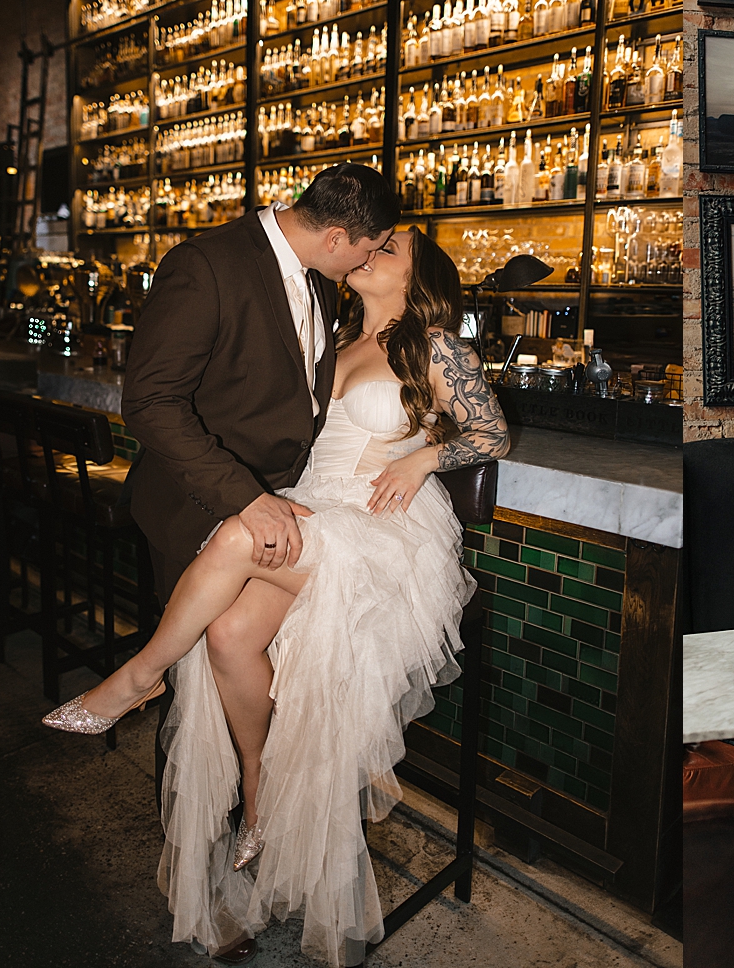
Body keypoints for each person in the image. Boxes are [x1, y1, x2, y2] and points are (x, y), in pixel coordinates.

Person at [45, 221, 509, 965]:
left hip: (375, 528)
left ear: (417, 280)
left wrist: (424, 457)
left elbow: (491, 433)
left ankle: (138, 676)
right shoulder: (331, 337)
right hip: (311, 508)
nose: (369, 252)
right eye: (369, 242)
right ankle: (261, 805)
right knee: (229, 636)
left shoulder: (435, 344)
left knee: (235, 537)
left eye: (387, 250)